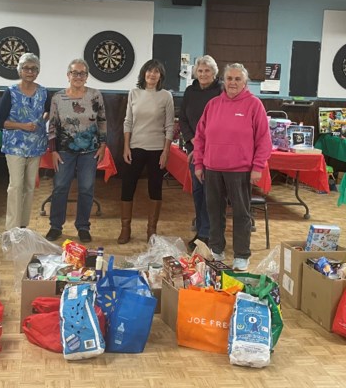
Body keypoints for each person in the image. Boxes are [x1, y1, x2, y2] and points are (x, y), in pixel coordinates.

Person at [192, 63, 271, 271]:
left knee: (242, 214)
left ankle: (242, 255)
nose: (233, 82)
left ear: (245, 82)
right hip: (212, 168)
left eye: (237, 79)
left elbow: (264, 139)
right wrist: (199, 164)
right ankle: (216, 249)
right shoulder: (213, 104)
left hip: (241, 170)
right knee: (214, 212)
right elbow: (199, 137)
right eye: (229, 78)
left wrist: (257, 167)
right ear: (223, 81)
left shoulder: (254, 105)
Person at [46, 58, 107, 243]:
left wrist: (103, 145)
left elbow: (102, 120)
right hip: (64, 151)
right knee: (60, 188)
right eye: (74, 73)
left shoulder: (95, 95)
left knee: (86, 189)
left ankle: (83, 226)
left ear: (87, 77)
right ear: (68, 75)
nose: (78, 76)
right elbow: (53, 125)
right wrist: (53, 150)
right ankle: (56, 226)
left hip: (90, 151)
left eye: (82, 73)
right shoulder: (58, 98)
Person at [118, 59, 175, 244]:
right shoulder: (134, 93)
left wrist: (166, 151)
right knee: (128, 186)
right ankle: (125, 228)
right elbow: (128, 121)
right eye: (149, 71)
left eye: (156, 72)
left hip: (157, 149)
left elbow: (169, 126)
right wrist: (126, 146)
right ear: (144, 74)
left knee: (155, 188)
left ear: (161, 76)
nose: (152, 75)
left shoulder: (166, 96)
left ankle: (152, 231)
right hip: (135, 147)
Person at [0, 53, 48, 231]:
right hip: (15, 146)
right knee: (16, 185)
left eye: (33, 68)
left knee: (30, 186)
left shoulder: (43, 92)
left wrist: (44, 118)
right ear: (20, 70)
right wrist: (22, 126)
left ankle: (23, 226)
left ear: (38, 71)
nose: (30, 71)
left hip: (36, 145)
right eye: (26, 68)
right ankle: (11, 229)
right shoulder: (11, 92)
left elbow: (47, 112)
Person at [179, 55, 222, 249]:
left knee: (212, 193)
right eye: (200, 70)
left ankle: (211, 234)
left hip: (215, 151)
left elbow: (223, 123)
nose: (203, 74)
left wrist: (204, 144)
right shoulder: (190, 91)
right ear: (196, 72)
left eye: (207, 71)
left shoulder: (221, 92)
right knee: (198, 192)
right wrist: (192, 142)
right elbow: (183, 120)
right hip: (194, 150)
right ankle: (202, 231)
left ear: (214, 73)